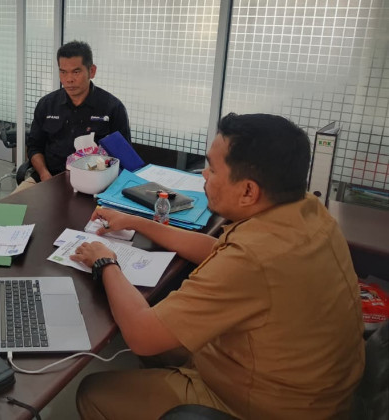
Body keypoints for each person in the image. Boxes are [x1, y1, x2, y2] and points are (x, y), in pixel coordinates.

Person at [72, 113, 365, 419]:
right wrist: (137, 222)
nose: (204, 174)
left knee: (93, 392)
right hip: (315, 389)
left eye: (212, 168)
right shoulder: (307, 211)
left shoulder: (253, 259)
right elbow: (218, 251)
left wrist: (106, 262)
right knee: (162, 335)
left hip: (265, 406)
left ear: (248, 191)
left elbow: (142, 336)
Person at [20, 41, 130, 190]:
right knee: (11, 204)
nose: (69, 79)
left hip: (96, 184)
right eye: (63, 72)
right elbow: (34, 147)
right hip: (48, 178)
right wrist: (44, 174)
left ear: (92, 71)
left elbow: (123, 158)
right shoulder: (47, 104)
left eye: (76, 72)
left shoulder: (112, 108)